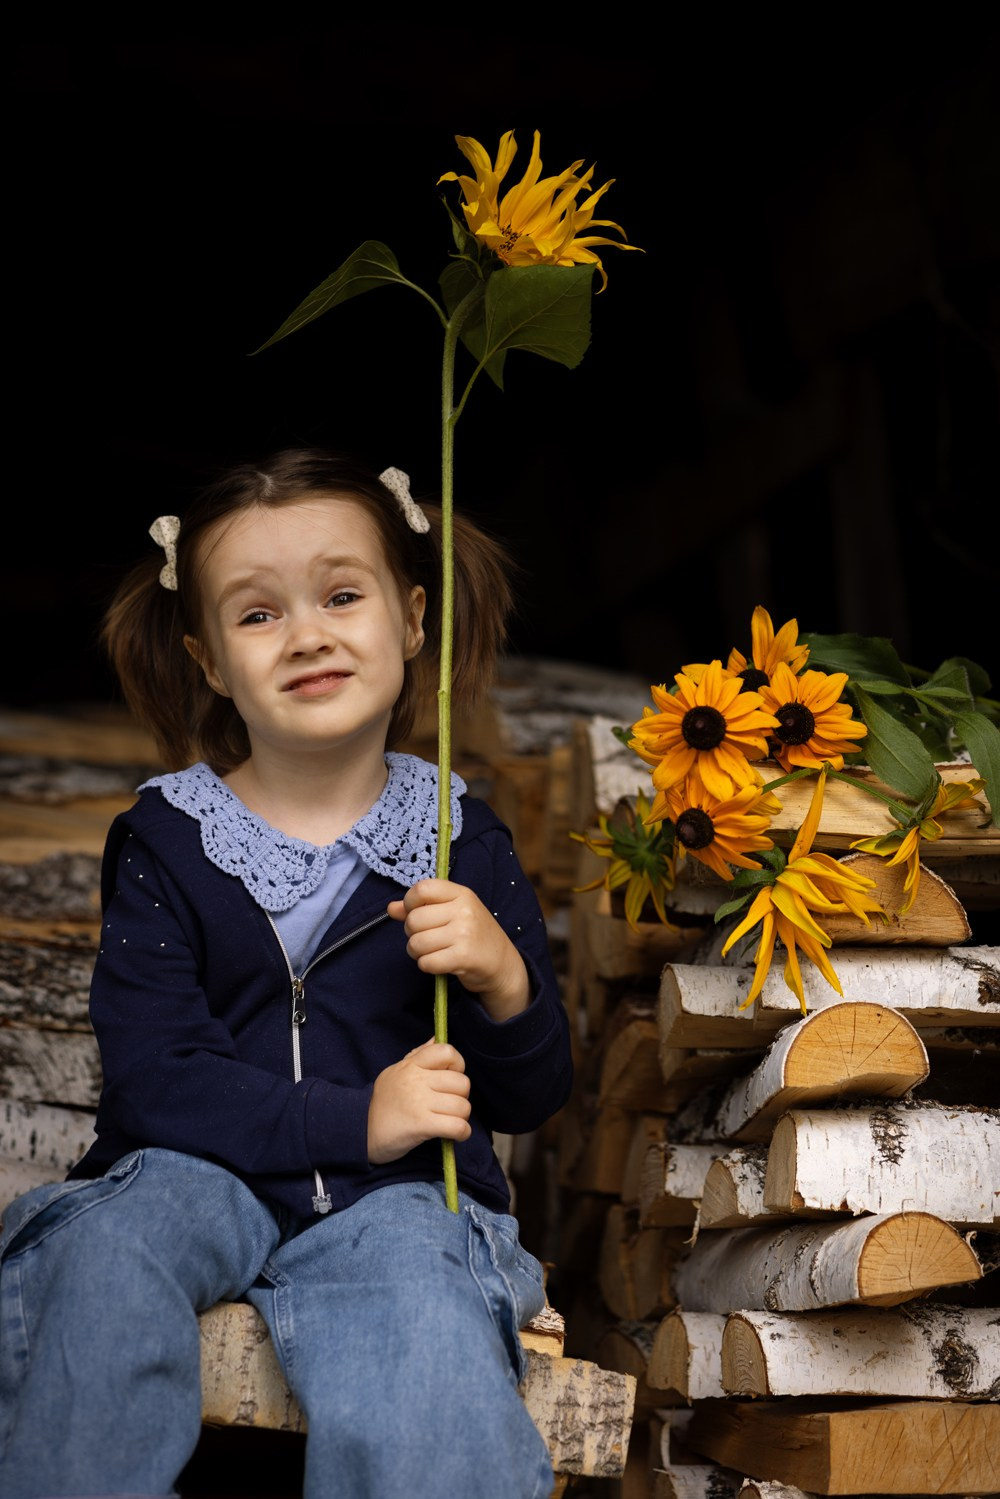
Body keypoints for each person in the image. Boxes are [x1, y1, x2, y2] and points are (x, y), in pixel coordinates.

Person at [0, 447, 573, 1499]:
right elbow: (155, 1076)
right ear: (210, 659)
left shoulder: (461, 838)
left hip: (395, 1196)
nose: (306, 632)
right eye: (257, 613)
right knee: (105, 1252)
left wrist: (502, 982)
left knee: (419, 1300)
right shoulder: (170, 836)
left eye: (341, 594)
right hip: (194, 1170)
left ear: (410, 619)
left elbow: (532, 1091)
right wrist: (355, 1117)